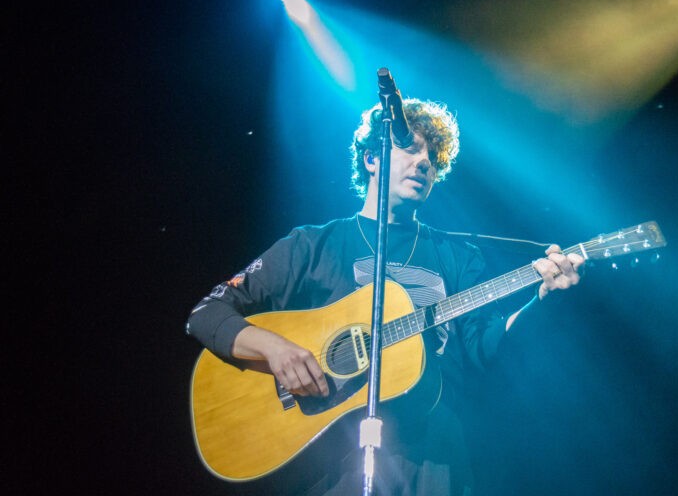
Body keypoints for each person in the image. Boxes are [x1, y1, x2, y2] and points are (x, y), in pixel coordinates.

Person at [186, 98, 584, 495]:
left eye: (434, 155)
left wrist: (542, 299)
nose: (425, 162)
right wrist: (274, 349)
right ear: (371, 158)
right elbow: (206, 313)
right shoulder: (312, 245)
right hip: (331, 459)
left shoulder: (458, 257)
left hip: (434, 458)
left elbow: (484, 349)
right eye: (410, 148)